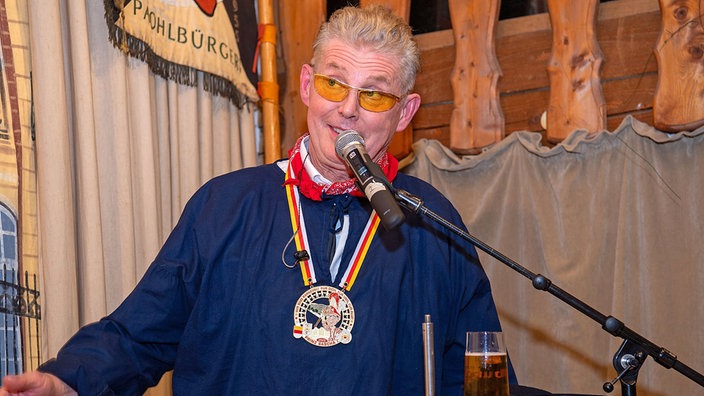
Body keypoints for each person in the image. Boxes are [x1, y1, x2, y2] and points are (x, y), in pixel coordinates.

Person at [1, 5, 515, 395]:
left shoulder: (432, 221)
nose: (348, 109)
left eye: (374, 94)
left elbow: (478, 368)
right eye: (334, 84)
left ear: (404, 114)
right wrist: (67, 381)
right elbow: (140, 335)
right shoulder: (223, 206)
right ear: (309, 87)